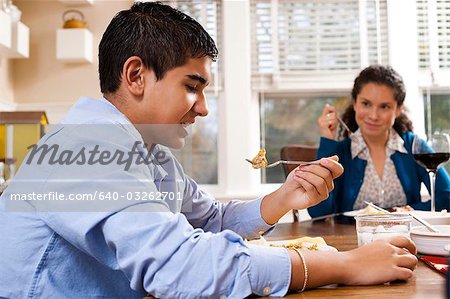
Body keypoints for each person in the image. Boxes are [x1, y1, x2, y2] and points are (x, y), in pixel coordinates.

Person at [0, 3, 418, 298]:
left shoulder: (150, 152)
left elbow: (211, 220)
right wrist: (343, 267)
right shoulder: (87, 150)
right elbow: (180, 265)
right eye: (191, 86)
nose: (201, 108)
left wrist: (282, 198)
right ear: (135, 75)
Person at [310, 65, 450, 218]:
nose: (374, 115)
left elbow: (447, 198)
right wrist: (328, 141)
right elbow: (318, 212)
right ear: (355, 103)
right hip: (352, 239)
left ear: (397, 110)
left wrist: (402, 212)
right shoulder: (340, 152)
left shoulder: (413, 147)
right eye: (366, 104)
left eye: (384, 106)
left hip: (404, 238)